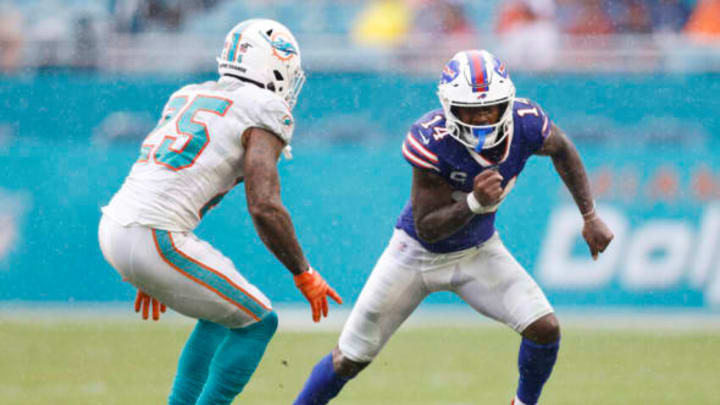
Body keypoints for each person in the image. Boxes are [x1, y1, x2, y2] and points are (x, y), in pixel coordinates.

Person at [292, 49, 614, 405]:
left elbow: (563, 148)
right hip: (414, 256)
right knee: (348, 359)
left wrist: (589, 215)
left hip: (479, 251)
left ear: (506, 103)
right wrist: (474, 203)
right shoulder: (431, 139)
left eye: (489, 107)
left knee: (544, 328)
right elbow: (427, 227)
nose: (480, 117)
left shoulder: (526, 121)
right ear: (448, 106)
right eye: (469, 109)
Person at [97, 18, 342, 405]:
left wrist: (143, 264)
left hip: (115, 225)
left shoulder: (188, 94)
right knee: (260, 322)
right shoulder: (263, 107)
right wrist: (303, 272)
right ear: (272, 64)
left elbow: (158, 177)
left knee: (220, 317)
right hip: (154, 234)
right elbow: (265, 206)